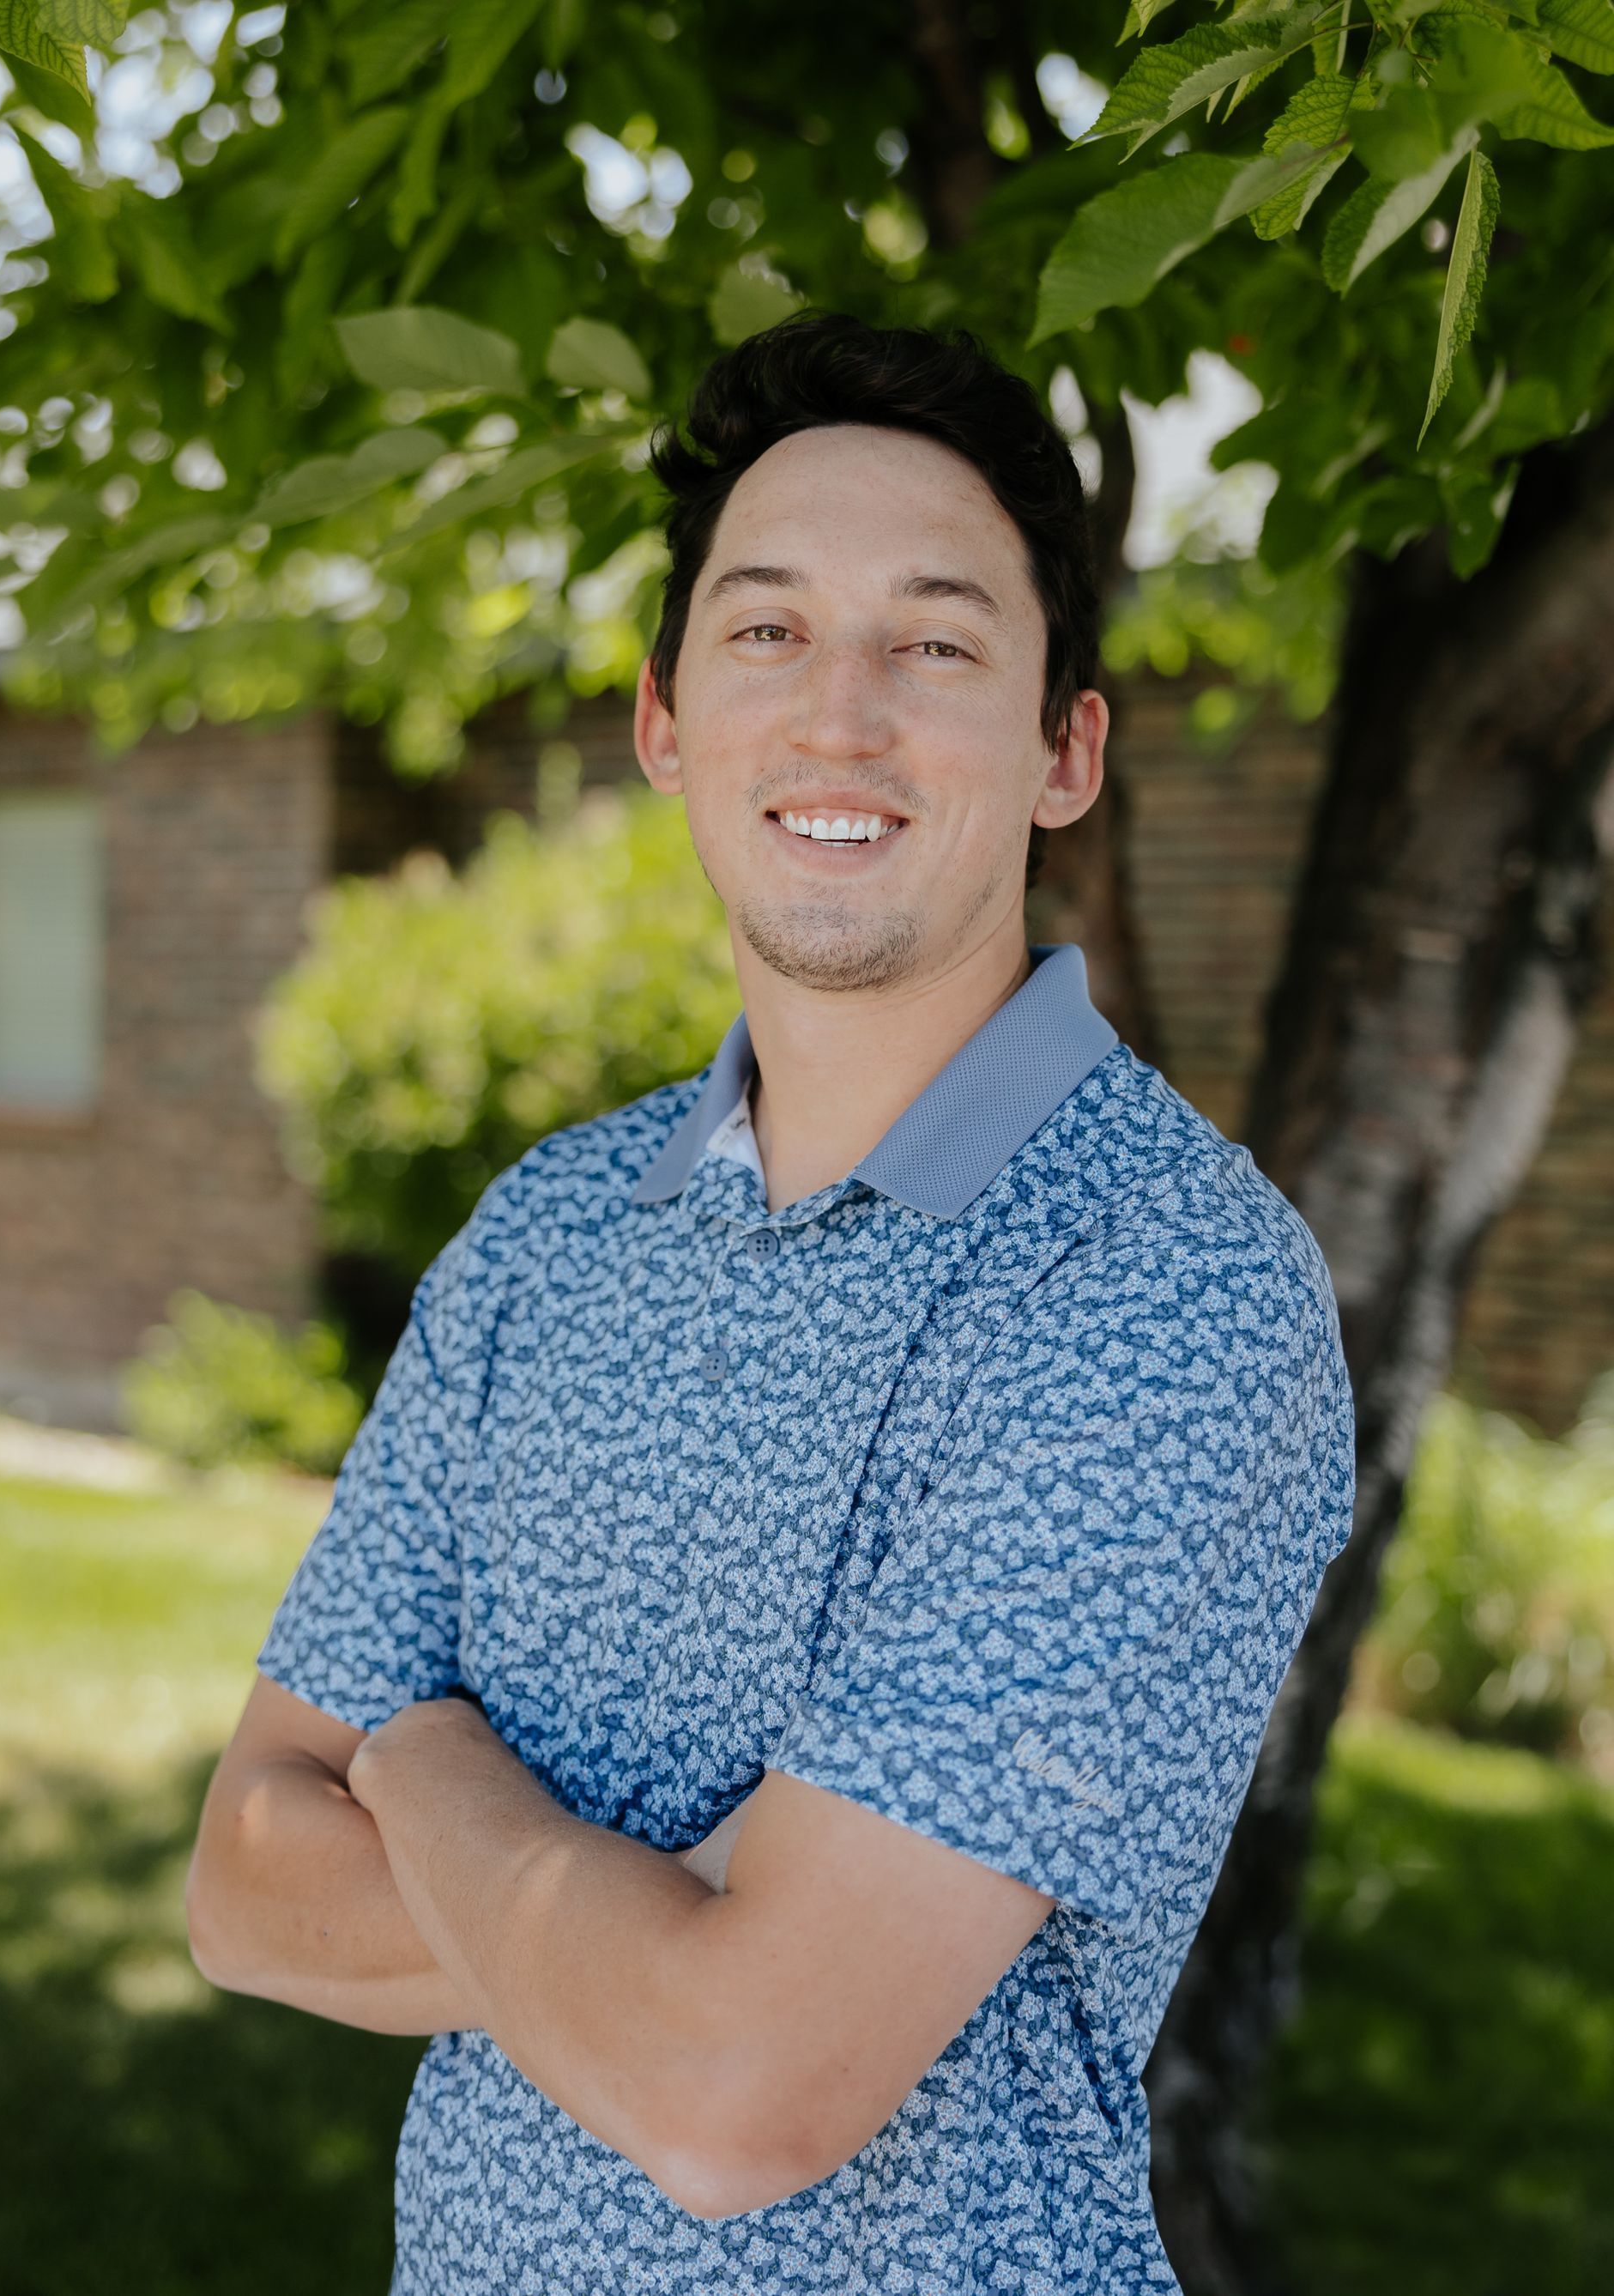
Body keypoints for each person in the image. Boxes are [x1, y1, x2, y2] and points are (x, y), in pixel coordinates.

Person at [184, 309, 1356, 2294]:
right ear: (665, 720)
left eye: (936, 644)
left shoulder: (1164, 1288)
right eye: (767, 629)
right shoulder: (548, 1231)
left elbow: (740, 2087)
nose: (839, 718)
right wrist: (676, 1920)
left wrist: (418, 1763)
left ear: (1067, 750)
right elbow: (239, 1882)